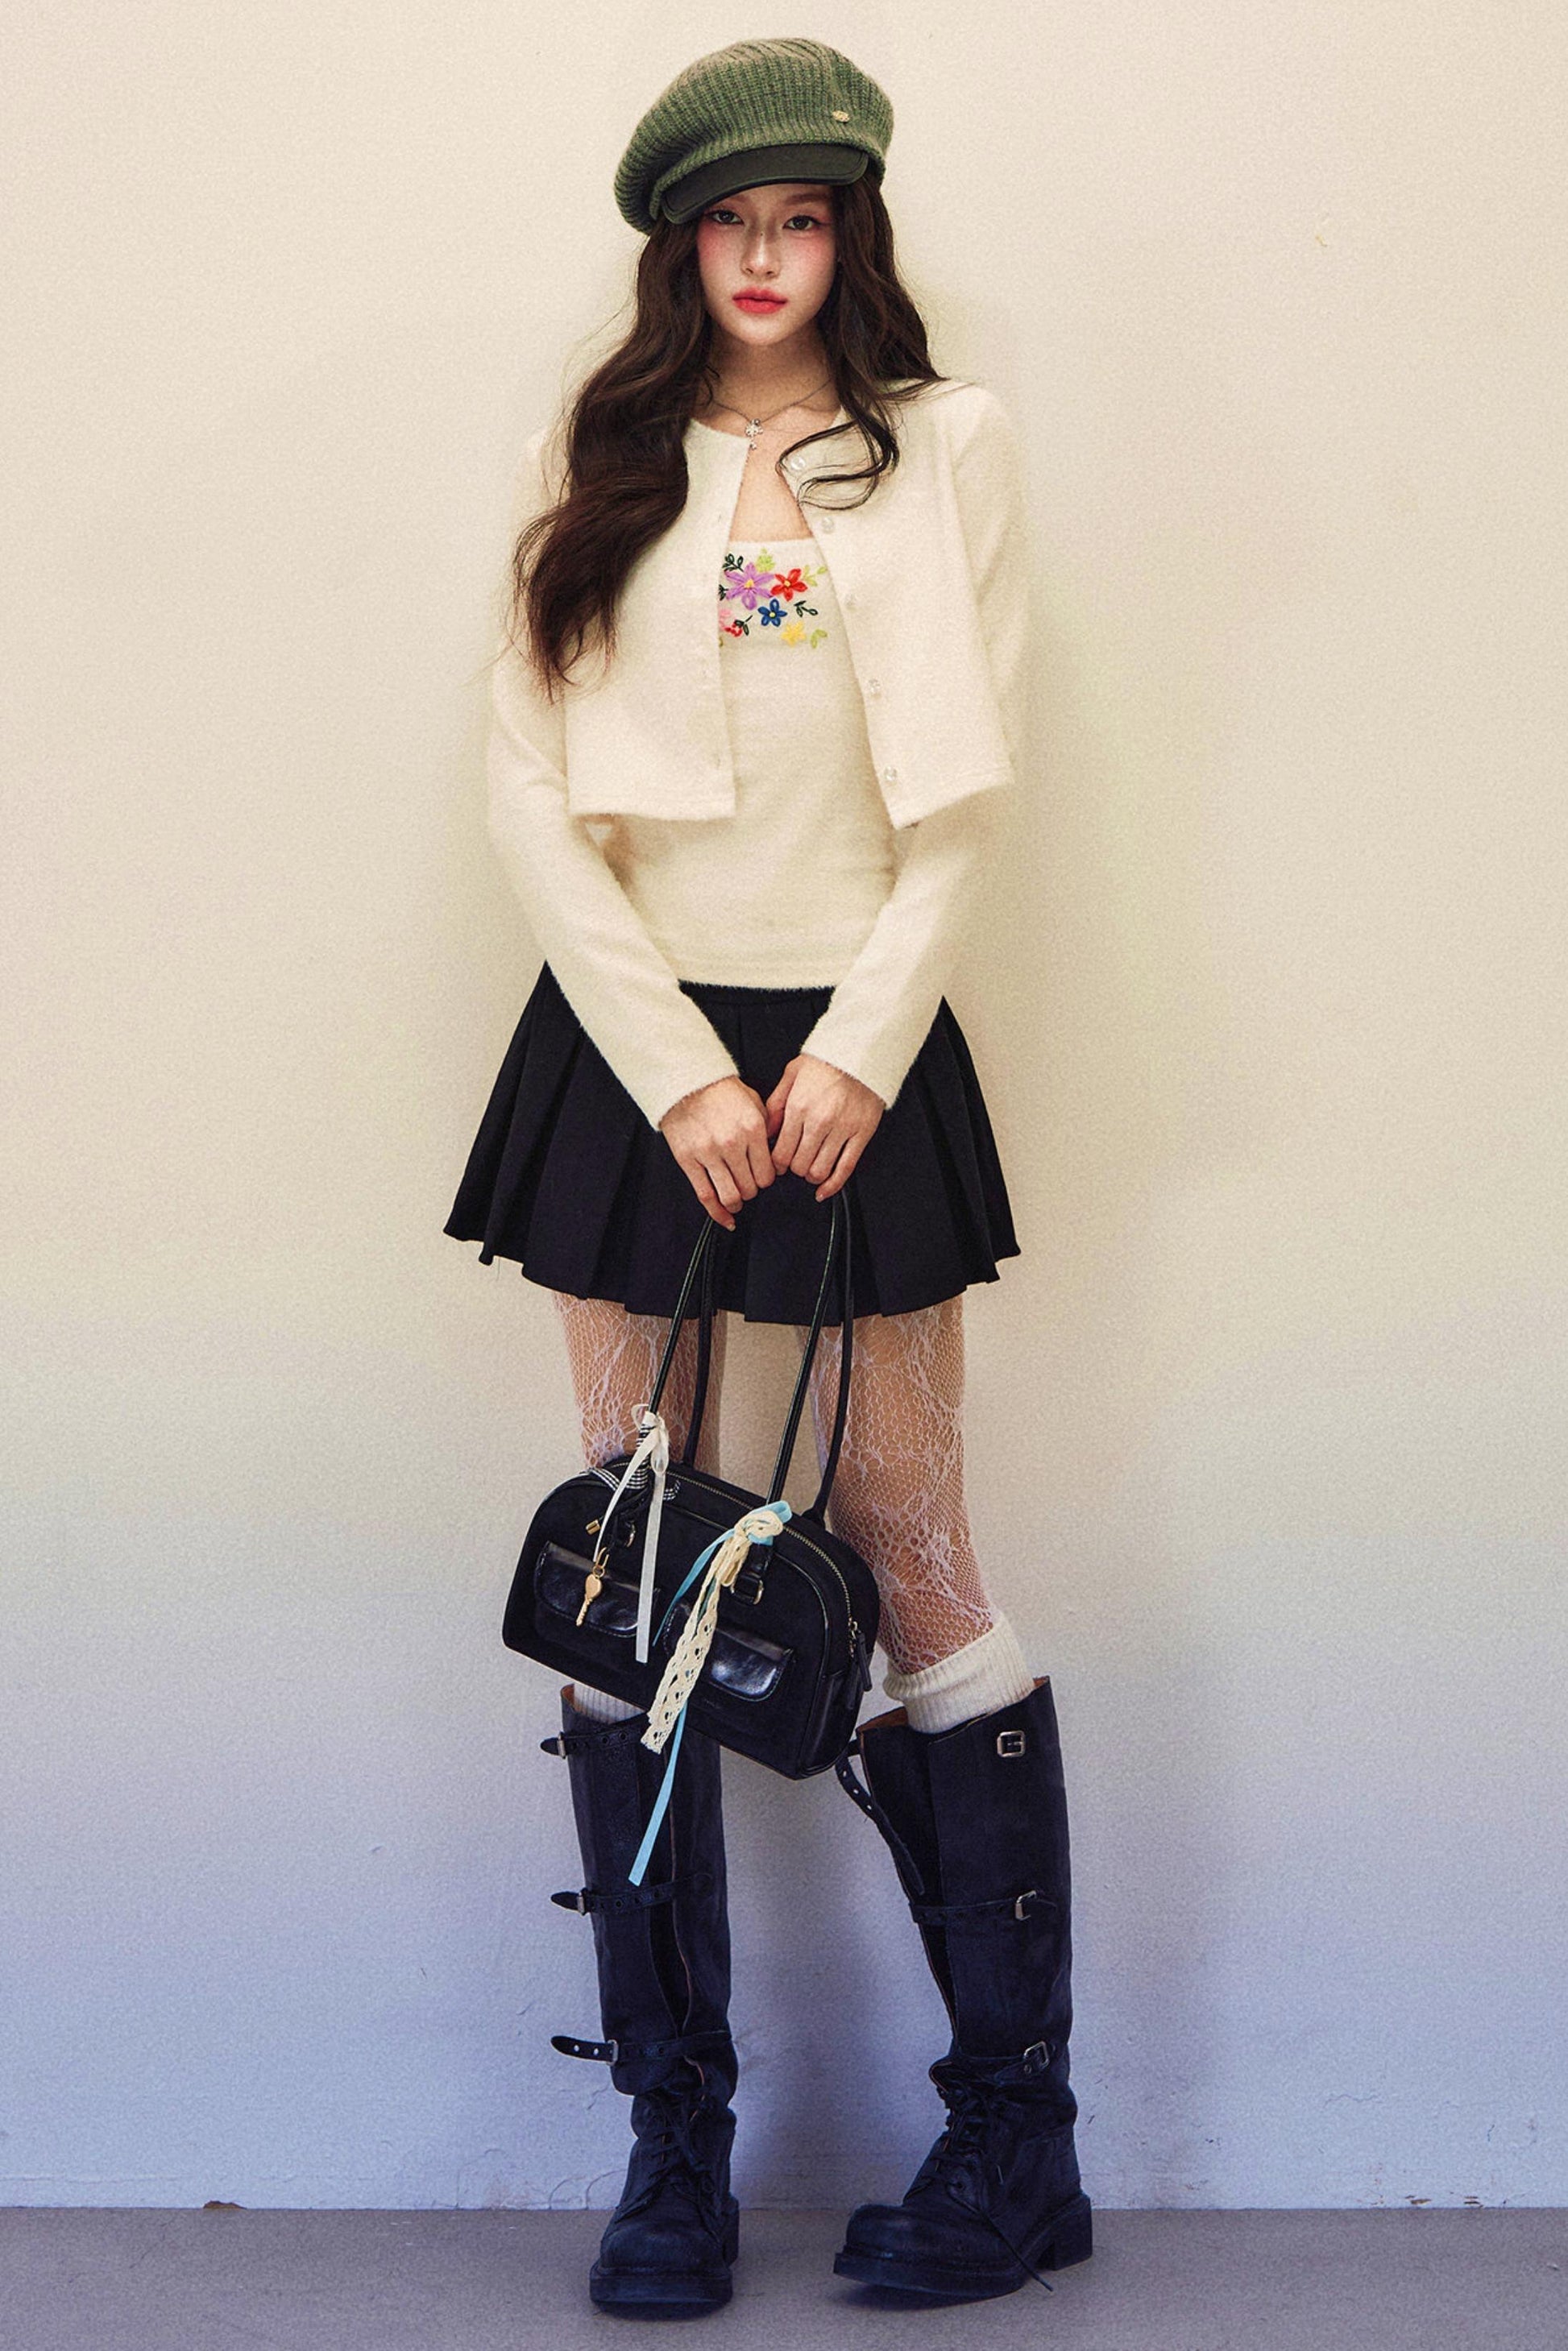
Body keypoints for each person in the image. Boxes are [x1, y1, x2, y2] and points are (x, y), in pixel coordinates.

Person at [444, 35, 1091, 2316]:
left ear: (849, 236)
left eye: (800, 218)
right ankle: (673, 2151)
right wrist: (677, 1076)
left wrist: (853, 1050)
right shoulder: (601, 446)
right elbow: (529, 785)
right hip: (635, 1053)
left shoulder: (948, 446)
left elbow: (970, 792)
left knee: (912, 1553)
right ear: (677, 243)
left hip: (860, 1050)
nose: (761, 255)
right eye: (727, 219)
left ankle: (1017, 2146)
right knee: (634, 1564)